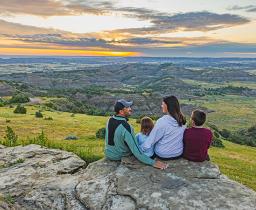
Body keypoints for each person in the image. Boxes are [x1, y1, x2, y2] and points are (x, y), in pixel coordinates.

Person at [104, 99, 167, 169]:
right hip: (119, 156)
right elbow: (136, 150)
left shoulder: (110, 120)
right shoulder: (126, 127)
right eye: (127, 108)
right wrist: (153, 162)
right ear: (121, 111)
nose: (130, 109)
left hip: (108, 154)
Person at [141, 96, 186, 160]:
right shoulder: (182, 120)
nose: (161, 106)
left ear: (168, 106)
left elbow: (151, 141)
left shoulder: (162, 121)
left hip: (164, 154)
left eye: (163, 104)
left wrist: (140, 149)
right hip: (178, 153)